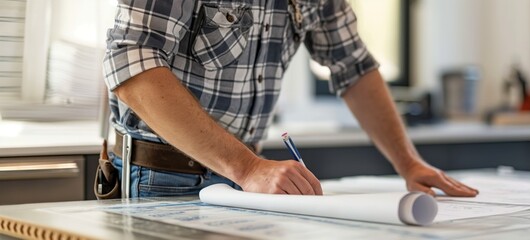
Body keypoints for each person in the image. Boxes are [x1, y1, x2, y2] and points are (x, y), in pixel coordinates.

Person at [103, 0, 478, 198]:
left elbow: (354, 67)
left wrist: (409, 163)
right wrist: (247, 168)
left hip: (247, 179)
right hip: (162, 177)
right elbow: (130, 63)